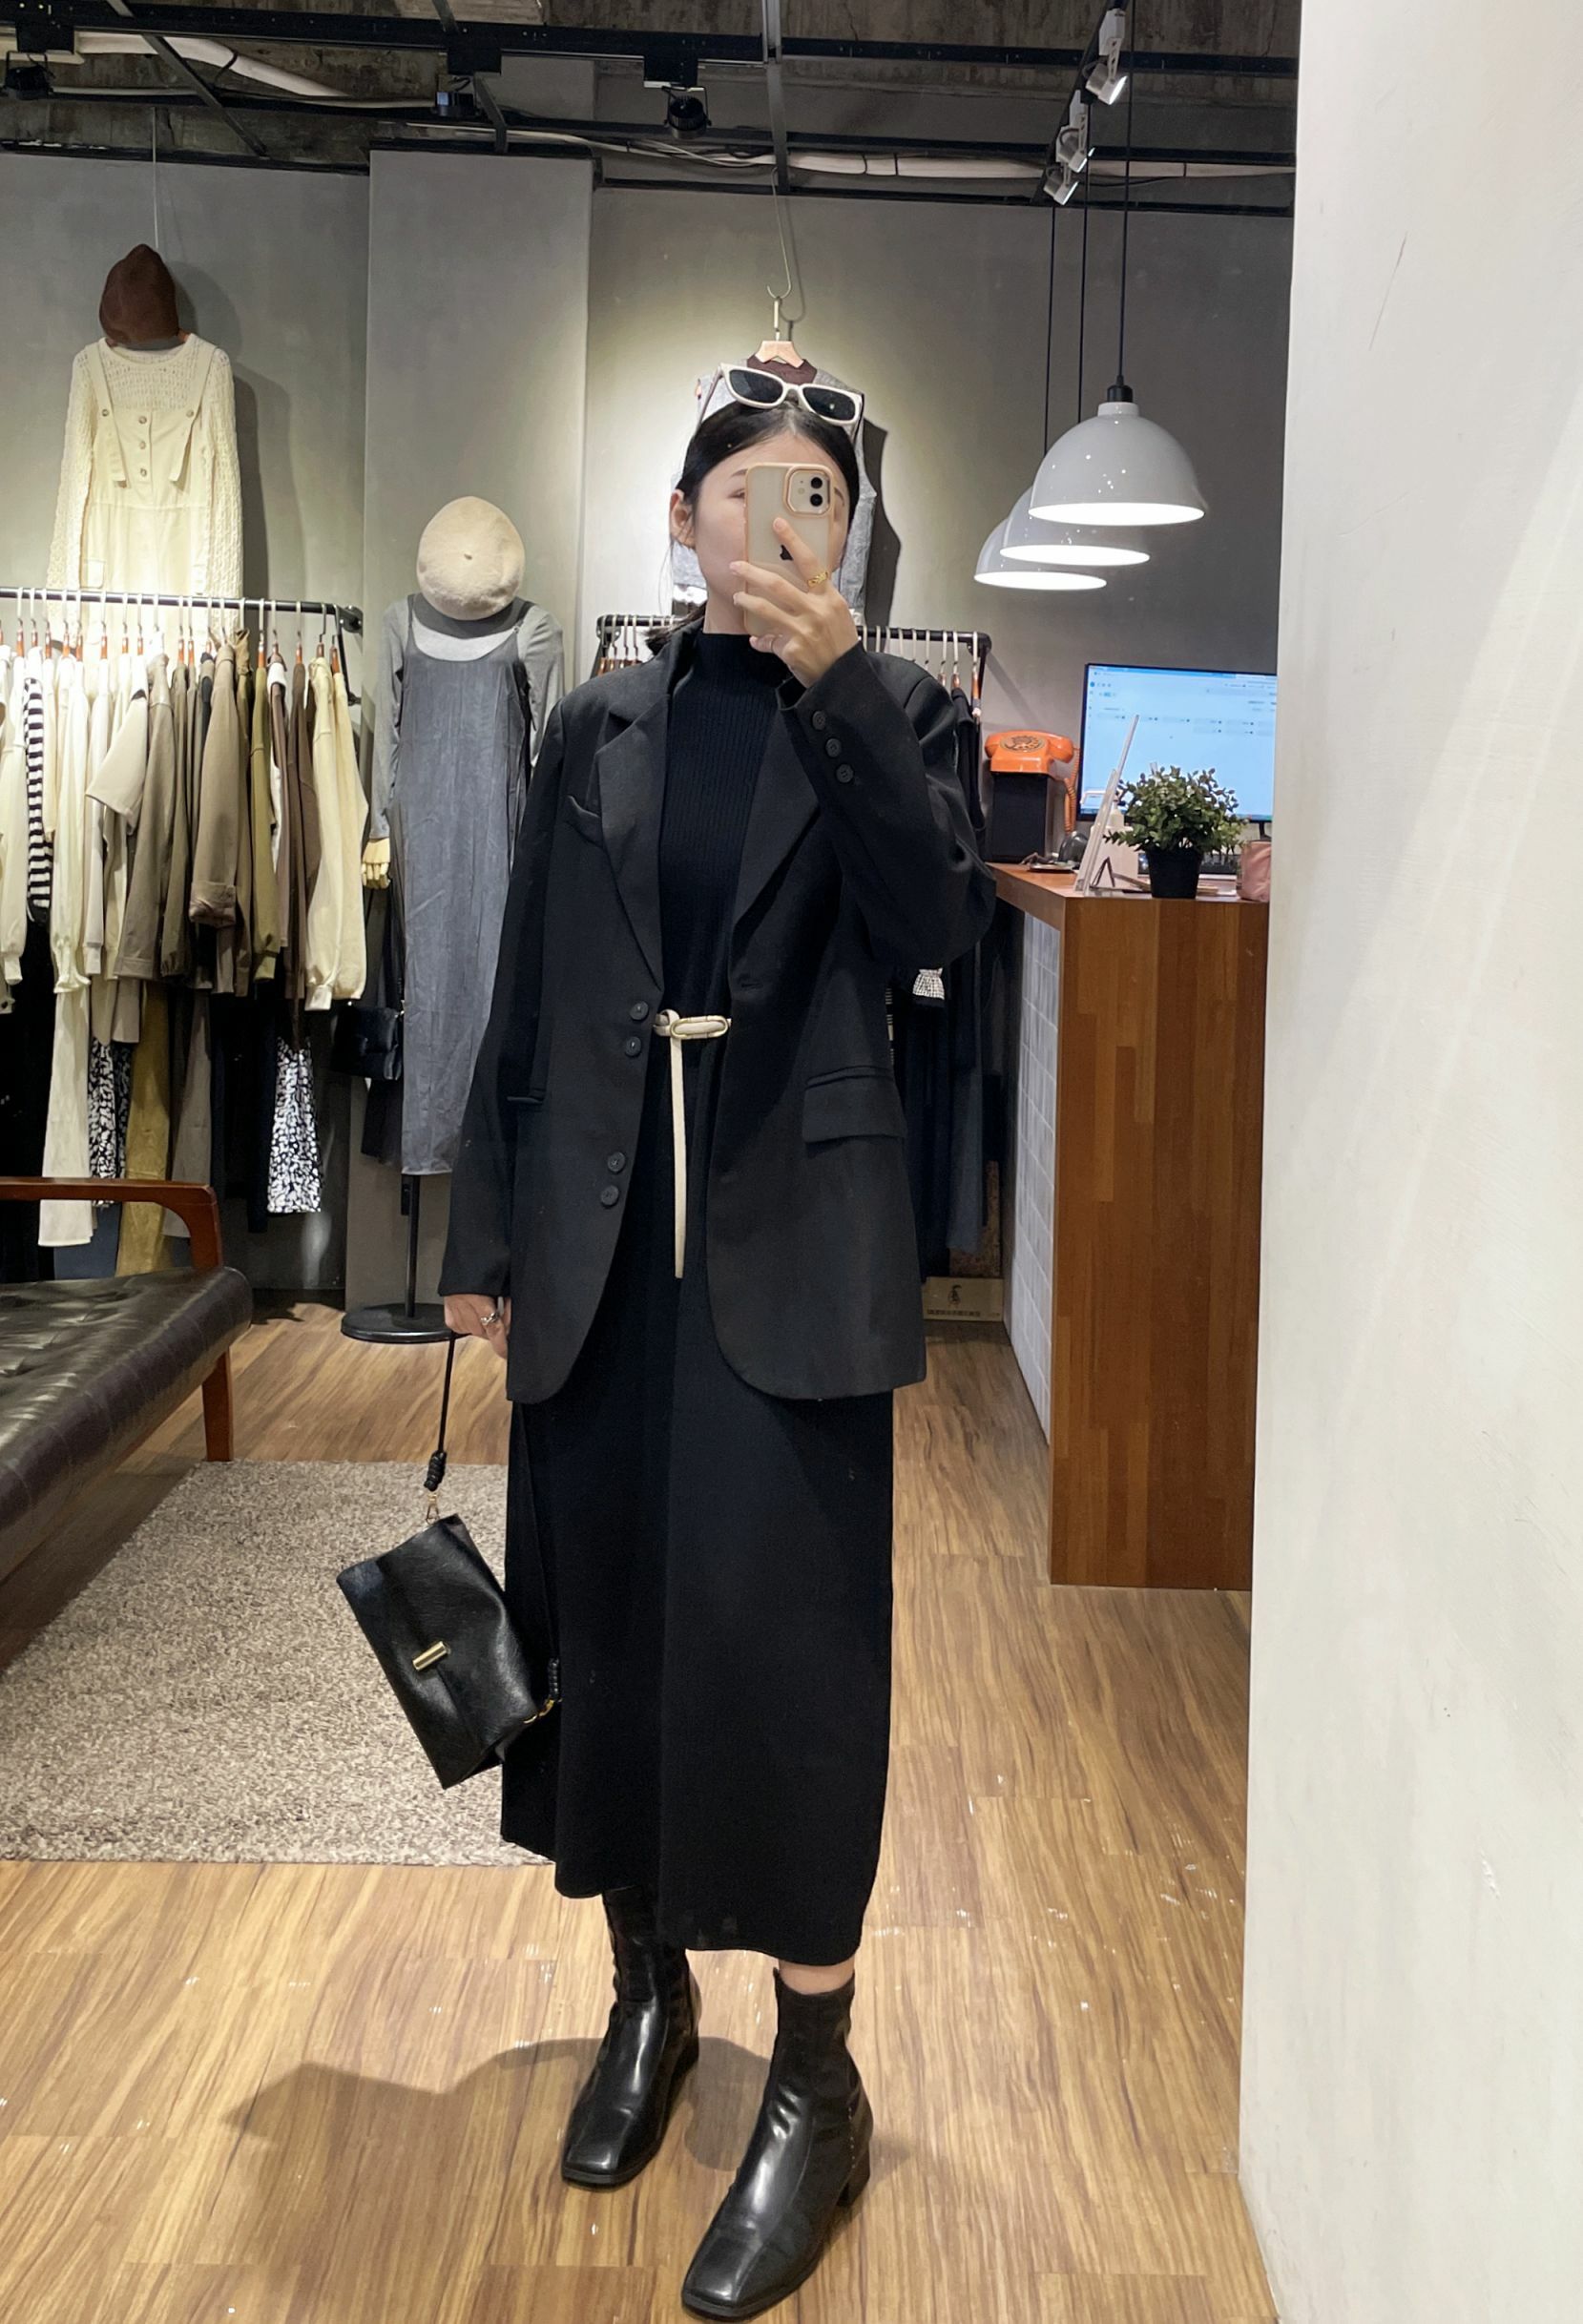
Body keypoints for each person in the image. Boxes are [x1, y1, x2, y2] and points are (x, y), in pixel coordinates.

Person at [439, 386, 996, 2320]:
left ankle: (817, 2084)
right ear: (682, 520)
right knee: (605, 1630)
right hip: (602, 1247)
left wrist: (841, 686)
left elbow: (935, 930)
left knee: (794, 1660)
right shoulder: (596, 722)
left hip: (790, 1247)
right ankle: (646, 1992)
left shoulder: (900, 714)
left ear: (851, 534)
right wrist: (484, 1236)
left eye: (819, 499)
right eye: (748, 495)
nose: (782, 526)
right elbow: (526, 991)